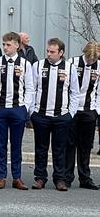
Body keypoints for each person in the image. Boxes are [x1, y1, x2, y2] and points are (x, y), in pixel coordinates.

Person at [0, 32, 34, 190]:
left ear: (17, 45)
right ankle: (1, 176)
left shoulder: (25, 64)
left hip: (17, 109)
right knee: (0, 144)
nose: (5, 47)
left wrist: (25, 107)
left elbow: (30, 88)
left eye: (8, 44)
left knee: (16, 144)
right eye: (4, 44)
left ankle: (17, 177)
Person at [31, 38, 80, 191]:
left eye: (52, 52)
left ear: (61, 53)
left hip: (61, 116)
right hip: (41, 115)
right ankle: (40, 178)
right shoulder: (38, 66)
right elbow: (31, 88)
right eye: (48, 51)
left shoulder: (69, 68)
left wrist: (70, 113)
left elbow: (74, 93)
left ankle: (60, 179)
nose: (49, 54)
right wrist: (32, 110)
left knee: (60, 149)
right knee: (40, 148)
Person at [65, 42, 100, 190]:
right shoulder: (72, 63)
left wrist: (96, 110)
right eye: (89, 58)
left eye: (94, 59)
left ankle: (85, 178)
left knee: (85, 146)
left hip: (89, 110)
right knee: (70, 144)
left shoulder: (98, 66)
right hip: (72, 110)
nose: (91, 61)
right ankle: (66, 177)